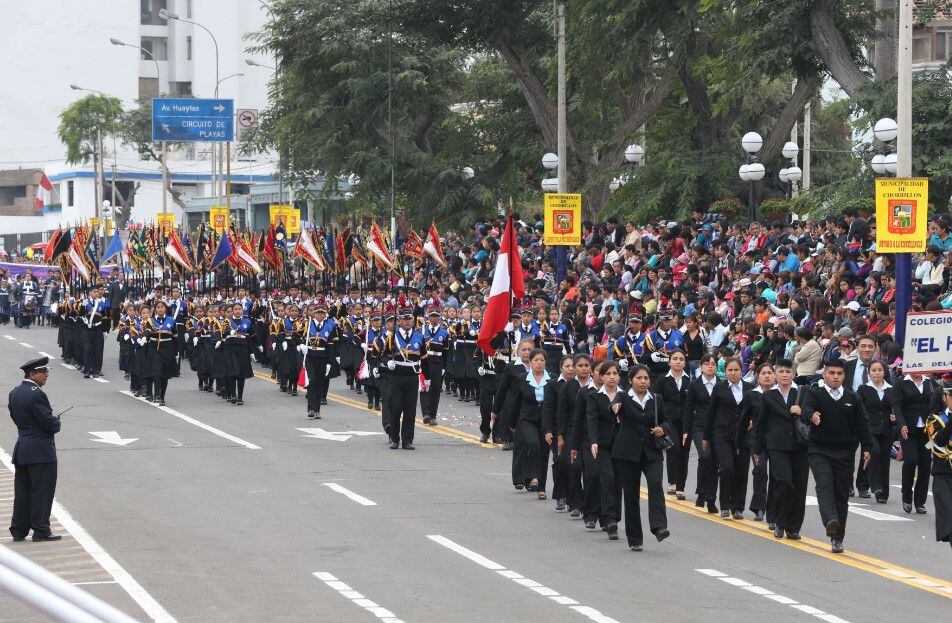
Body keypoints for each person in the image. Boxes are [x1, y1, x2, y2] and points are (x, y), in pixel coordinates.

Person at [801, 359, 873, 553]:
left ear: (844, 376)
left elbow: (863, 423)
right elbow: (806, 410)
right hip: (819, 450)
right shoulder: (815, 393)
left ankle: (837, 539)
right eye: (831, 373)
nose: (835, 377)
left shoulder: (852, 397)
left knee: (841, 495)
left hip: (844, 452)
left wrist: (867, 447)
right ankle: (830, 521)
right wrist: (811, 416)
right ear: (824, 374)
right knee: (824, 485)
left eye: (839, 374)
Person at [614, 363, 670, 550]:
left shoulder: (656, 399)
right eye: (639, 378)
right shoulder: (623, 396)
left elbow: (667, 420)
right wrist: (614, 408)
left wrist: (663, 429)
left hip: (651, 451)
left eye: (646, 378)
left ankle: (659, 526)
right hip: (627, 452)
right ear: (631, 380)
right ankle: (635, 539)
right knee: (631, 496)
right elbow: (613, 406)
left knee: (655, 484)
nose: (643, 381)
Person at [753, 359, 808, 539]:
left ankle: (793, 527)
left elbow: (810, 415)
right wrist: (758, 450)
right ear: (776, 374)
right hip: (776, 446)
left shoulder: (802, 392)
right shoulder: (769, 396)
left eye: (788, 371)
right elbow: (760, 424)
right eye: (781, 371)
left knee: (799, 486)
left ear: (793, 373)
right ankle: (779, 521)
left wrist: (801, 411)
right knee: (784, 482)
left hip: (800, 446)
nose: (784, 375)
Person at [8, 357, 61, 542]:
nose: (46, 375)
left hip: (23, 447)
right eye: (42, 372)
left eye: (46, 371)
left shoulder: (14, 392)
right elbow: (47, 423)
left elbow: (16, 417)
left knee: (22, 492)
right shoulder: (36, 393)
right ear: (31, 373)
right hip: (40, 450)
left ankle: (18, 530)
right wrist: (56, 422)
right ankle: (41, 530)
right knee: (41, 491)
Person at [703, 358, 753, 519]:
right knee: (727, 468)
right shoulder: (719, 387)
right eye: (730, 370)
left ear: (741, 371)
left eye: (736, 370)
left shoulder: (750, 388)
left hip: (743, 436)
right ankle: (724, 504)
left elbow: (758, 411)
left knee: (741, 471)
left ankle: (738, 507)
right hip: (722, 435)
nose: (733, 373)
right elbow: (711, 412)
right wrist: (706, 436)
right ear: (725, 372)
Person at [507, 349, 554, 499]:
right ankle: (533, 476)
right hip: (527, 418)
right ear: (530, 362)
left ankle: (542, 488)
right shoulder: (522, 379)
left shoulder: (552, 379)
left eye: (542, 360)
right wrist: (512, 422)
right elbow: (514, 402)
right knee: (533, 443)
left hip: (546, 420)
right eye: (536, 360)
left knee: (544, 451)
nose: (539, 363)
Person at [892, 370, 941, 514]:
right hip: (908, 430)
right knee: (911, 460)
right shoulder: (900, 383)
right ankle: (906, 496)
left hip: (927, 431)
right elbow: (896, 405)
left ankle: (920, 501)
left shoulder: (930, 382)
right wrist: (901, 424)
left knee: (925, 464)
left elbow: (937, 403)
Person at [586, 360, 623, 540]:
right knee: (607, 478)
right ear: (601, 377)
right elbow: (591, 420)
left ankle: (614, 515)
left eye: (615, 373)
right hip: (602, 445)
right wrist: (593, 441)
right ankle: (609, 520)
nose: (611, 377)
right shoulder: (594, 396)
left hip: (622, 446)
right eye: (608, 374)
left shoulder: (625, 396)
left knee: (617, 482)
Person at [381, 304, 425, 450]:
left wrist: (428, 378)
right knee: (395, 408)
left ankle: (407, 440)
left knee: (410, 409)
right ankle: (394, 438)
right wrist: (388, 362)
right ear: (398, 321)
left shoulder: (419, 336)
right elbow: (383, 356)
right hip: (396, 376)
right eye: (404, 319)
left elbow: (424, 357)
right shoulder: (392, 337)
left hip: (412, 377)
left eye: (410, 319)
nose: (407, 321)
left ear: (413, 320)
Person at [857, 361, 896, 504]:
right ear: (869, 373)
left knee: (885, 460)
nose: (877, 372)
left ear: (884, 372)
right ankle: (875, 486)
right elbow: (859, 410)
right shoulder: (863, 389)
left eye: (880, 370)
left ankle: (883, 494)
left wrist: (895, 418)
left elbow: (895, 408)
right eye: (874, 370)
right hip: (869, 429)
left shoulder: (891, 389)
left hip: (887, 429)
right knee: (875, 452)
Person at [684, 354, 719, 514]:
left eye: (713, 364)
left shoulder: (722, 384)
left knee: (714, 462)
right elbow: (689, 409)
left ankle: (710, 498)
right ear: (701, 366)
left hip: (718, 428)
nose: (710, 367)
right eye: (706, 364)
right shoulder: (694, 385)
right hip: (699, 427)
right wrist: (686, 430)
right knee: (705, 457)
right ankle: (701, 492)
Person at [654, 349, 690, 499]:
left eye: (681, 359)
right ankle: (672, 482)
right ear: (669, 361)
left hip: (686, 421)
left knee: (684, 453)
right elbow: (656, 400)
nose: (678, 361)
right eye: (675, 358)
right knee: (673, 448)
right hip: (668, 421)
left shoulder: (689, 380)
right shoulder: (663, 379)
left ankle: (681, 486)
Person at [925, 382, 952, 550]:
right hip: (943, 473)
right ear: (944, 398)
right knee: (949, 519)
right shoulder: (935, 419)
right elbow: (939, 440)